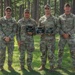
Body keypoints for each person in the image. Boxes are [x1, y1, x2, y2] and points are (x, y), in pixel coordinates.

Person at [38, 4, 58, 71]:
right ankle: (42, 66)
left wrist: (53, 32)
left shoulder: (54, 19)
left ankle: (52, 67)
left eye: (48, 8)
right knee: (43, 53)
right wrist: (39, 32)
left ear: (50, 9)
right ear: (44, 10)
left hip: (51, 40)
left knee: (51, 53)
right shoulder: (41, 19)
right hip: (43, 39)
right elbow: (39, 28)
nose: (47, 10)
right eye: (46, 8)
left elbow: (58, 28)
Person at [58, 3, 75, 70]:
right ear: (64, 8)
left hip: (71, 37)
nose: (67, 8)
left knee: (73, 52)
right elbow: (58, 27)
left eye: (68, 7)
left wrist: (69, 34)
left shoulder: (73, 17)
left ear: (70, 8)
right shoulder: (60, 17)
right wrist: (63, 34)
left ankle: (74, 65)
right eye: (66, 7)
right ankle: (59, 65)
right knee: (60, 51)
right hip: (62, 37)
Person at [0, 6, 17, 71]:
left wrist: (9, 37)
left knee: (10, 53)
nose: (8, 12)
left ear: (11, 12)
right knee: (2, 53)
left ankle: (10, 66)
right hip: (2, 40)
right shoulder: (1, 20)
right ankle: (1, 66)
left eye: (9, 11)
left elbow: (14, 30)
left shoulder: (13, 20)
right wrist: (4, 37)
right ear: (5, 12)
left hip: (11, 40)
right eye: (7, 11)